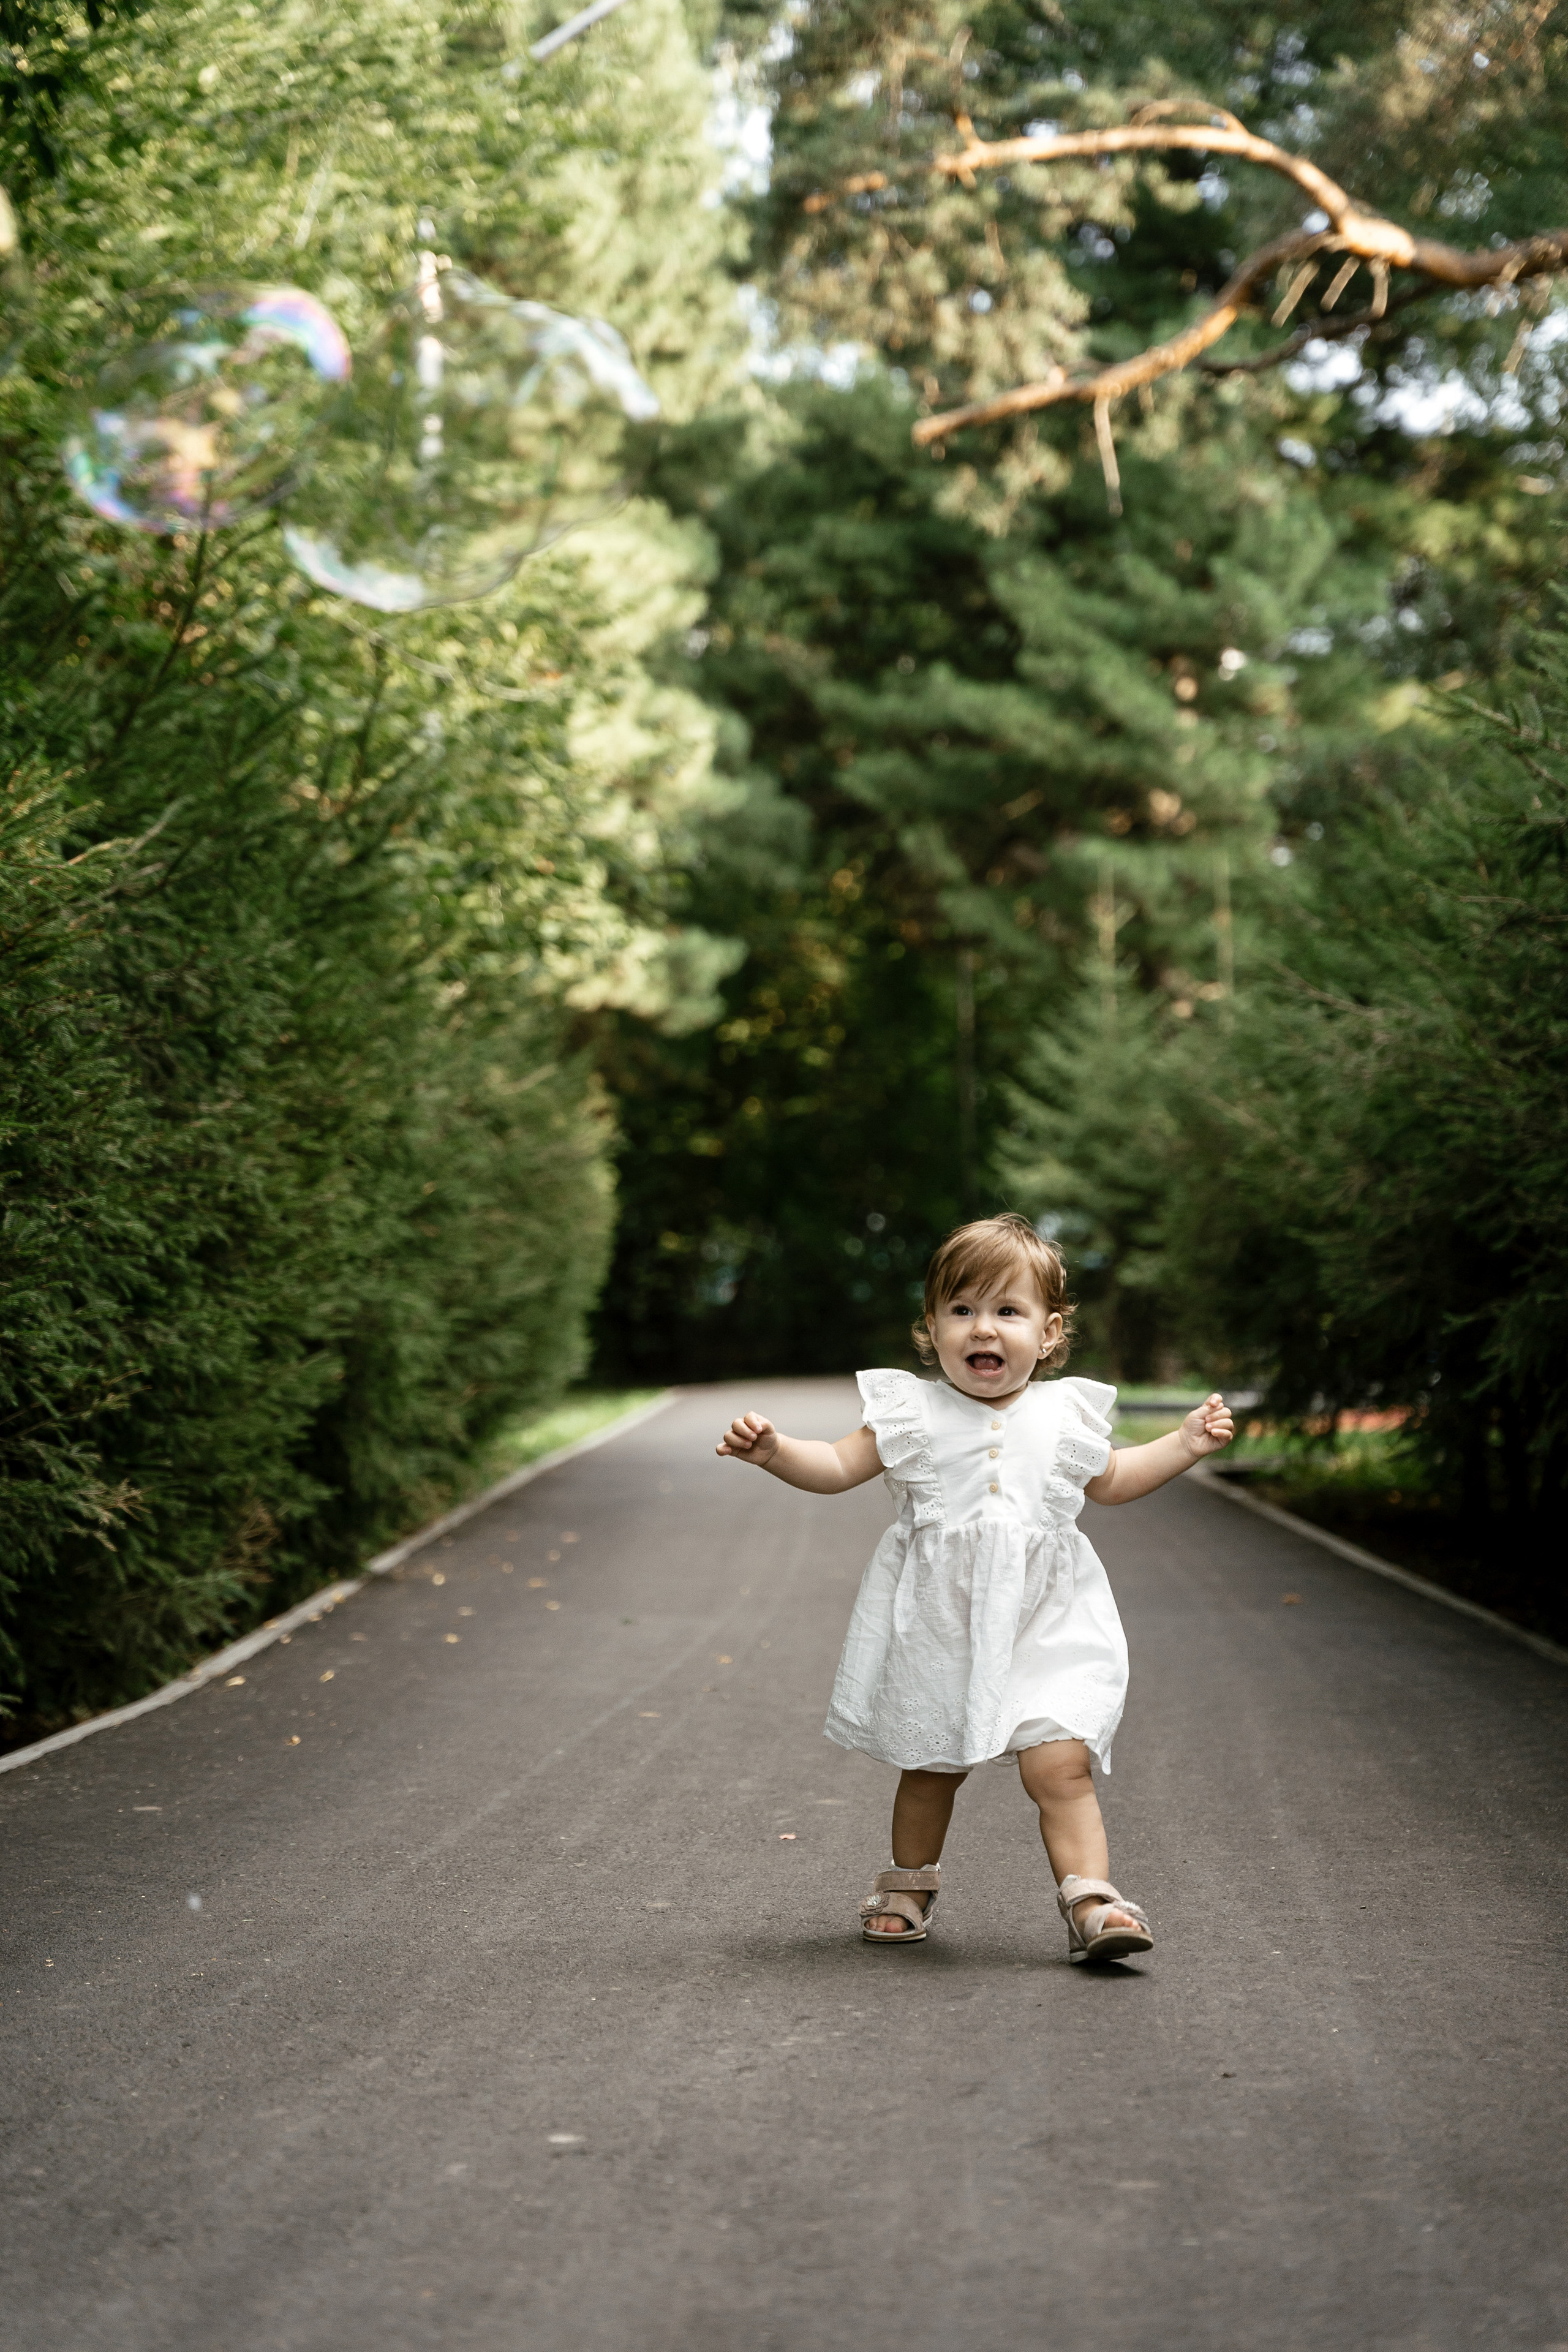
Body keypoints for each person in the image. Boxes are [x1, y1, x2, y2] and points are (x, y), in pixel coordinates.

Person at [716, 1212, 1234, 1961]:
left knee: (1061, 1761)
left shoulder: (1065, 1415)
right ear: (931, 1325)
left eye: (1006, 1311)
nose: (982, 1328)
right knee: (931, 1763)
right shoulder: (911, 1412)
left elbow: (1114, 1482)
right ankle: (909, 1882)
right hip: (940, 1622)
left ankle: (1092, 1899)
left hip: (1049, 1619)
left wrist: (1183, 1444)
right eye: (961, 1310)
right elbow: (833, 1468)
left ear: (1049, 1332)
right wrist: (773, 1453)